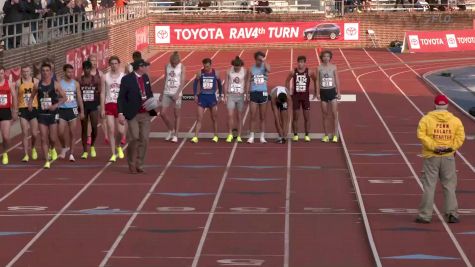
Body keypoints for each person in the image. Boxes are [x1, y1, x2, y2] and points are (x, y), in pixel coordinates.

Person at [415, 95, 465, 224]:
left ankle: (425, 215)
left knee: (429, 186)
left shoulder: (426, 119)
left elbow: (421, 135)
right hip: (448, 157)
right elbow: (460, 137)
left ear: (435, 105)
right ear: (447, 105)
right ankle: (452, 214)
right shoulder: (455, 121)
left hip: (432, 156)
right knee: (449, 186)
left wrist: (435, 147)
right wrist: (449, 148)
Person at [118, 59, 157, 174]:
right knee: (134, 138)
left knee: (144, 139)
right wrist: (121, 113)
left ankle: (139, 164)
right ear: (140, 67)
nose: (147, 68)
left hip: (145, 113)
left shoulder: (145, 78)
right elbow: (121, 97)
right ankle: (131, 162)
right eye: (145, 66)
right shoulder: (127, 79)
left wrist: (153, 104)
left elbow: (149, 93)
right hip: (132, 114)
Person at [29, 63, 66, 169]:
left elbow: (64, 98)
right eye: (43, 71)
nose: (45, 72)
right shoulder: (37, 85)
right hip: (41, 114)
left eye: (47, 70)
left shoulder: (55, 84)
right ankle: (47, 160)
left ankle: (52, 148)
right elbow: (32, 97)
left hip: (53, 114)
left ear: (50, 72)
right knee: (44, 138)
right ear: (41, 72)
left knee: (53, 138)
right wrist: (30, 104)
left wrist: (55, 105)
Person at [191, 58, 223, 144]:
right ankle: (195, 137)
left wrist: (220, 95)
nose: (206, 68)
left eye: (208, 66)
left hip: (212, 97)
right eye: (205, 66)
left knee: (214, 118)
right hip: (202, 97)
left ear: (211, 65)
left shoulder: (215, 73)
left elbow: (220, 85)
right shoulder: (200, 73)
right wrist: (194, 95)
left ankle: (216, 136)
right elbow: (195, 84)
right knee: (199, 118)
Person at [101, 56, 126, 162]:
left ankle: (118, 146)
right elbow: (102, 93)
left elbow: (126, 93)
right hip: (109, 104)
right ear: (109, 65)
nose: (114, 65)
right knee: (111, 130)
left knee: (120, 131)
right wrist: (102, 108)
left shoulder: (123, 77)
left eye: (116, 63)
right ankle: (113, 153)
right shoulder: (105, 77)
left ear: (119, 64)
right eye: (112, 63)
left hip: (120, 106)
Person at [286, 55, 316, 142]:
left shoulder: (309, 72)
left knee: (307, 117)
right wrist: (287, 92)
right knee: (295, 117)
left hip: (305, 97)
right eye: (299, 62)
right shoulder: (293, 72)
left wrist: (315, 92)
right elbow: (287, 81)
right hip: (295, 97)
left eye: (302, 62)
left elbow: (315, 80)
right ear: (297, 62)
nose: (300, 64)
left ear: (305, 63)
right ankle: (295, 135)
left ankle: (307, 135)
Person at [58, 64, 84, 162]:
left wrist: (82, 111)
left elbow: (79, 98)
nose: (70, 74)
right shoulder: (60, 83)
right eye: (68, 72)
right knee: (60, 132)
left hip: (72, 109)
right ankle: (64, 147)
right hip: (62, 109)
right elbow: (55, 96)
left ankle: (71, 154)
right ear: (64, 72)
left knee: (72, 133)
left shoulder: (75, 84)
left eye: (72, 72)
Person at [15, 65, 39, 162]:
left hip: (34, 108)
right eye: (24, 71)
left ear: (30, 72)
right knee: (24, 132)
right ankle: (25, 154)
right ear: (21, 72)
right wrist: (15, 110)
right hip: (23, 109)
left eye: (27, 71)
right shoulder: (18, 83)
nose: (25, 73)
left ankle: (33, 148)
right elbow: (15, 97)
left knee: (34, 134)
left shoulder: (36, 81)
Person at [160, 51, 185, 143]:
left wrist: (178, 93)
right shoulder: (167, 66)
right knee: (162, 113)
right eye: (173, 63)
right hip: (167, 92)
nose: (174, 65)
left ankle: (176, 135)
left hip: (177, 93)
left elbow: (182, 81)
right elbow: (165, 79)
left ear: (178, 61)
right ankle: (171, 129)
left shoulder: (182, 67)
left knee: (176, 114)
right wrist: (162, 93)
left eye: (176, 63)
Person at [79, 60, 101, 159]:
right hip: (83, 107)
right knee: (84, 129)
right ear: (83, 69)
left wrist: (100, 105)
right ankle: (85, 151)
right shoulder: (79, 80)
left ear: (90, 69)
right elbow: (78, 95)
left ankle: (92, 145)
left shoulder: (96, 80)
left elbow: (100, 92)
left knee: (94, 127)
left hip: (93, 106)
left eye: (88, 68)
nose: (87, 70)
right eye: (85, 68)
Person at [317, 50, 340, 143]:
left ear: (330, 57)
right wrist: (317, 93)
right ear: (322, 57)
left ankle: (335, 135)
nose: (326, 58)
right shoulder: (318, 68)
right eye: (324, 56)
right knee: (325, 115)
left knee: (334, 114)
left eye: (327, 56)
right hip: (323, 92)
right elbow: (317, 81)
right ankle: (326, 135)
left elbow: (337, 79)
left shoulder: (334, 67)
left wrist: (339, 92)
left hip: (332, 91)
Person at [247, 51, 270, 144]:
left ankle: (262, 137)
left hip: (263, 93)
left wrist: (264, 61)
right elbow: (248, 81)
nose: (260, 61)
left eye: (262, 59)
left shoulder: (265, 67)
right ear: (255, 59)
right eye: (259, 59)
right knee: (253, 116)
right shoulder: (251, 69)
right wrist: (247, 93)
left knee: (262, 117)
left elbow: (269, 69)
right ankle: (251, 136)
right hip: (254, 93)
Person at [224, 56, 247, 143]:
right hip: (231, 95)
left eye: (238, 67)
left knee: (239, 116)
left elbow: (247, 82)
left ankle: (239, 136)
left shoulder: (244, 71)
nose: (237, 68)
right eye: (235, 67)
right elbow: (226, 83)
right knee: (230, 115)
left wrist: (246, 94)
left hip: (240, 96)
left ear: (241, 65)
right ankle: (230, 134)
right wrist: (225, 95)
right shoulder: (228, 71)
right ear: (233, 65)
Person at [0, 66, 18, 165]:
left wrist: (14, 111)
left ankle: (5, 153)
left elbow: (14, 97)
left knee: (6, 137)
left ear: (4, 74)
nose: (0, 75)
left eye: (1, 73)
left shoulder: (9, 83)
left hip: (5, 111)